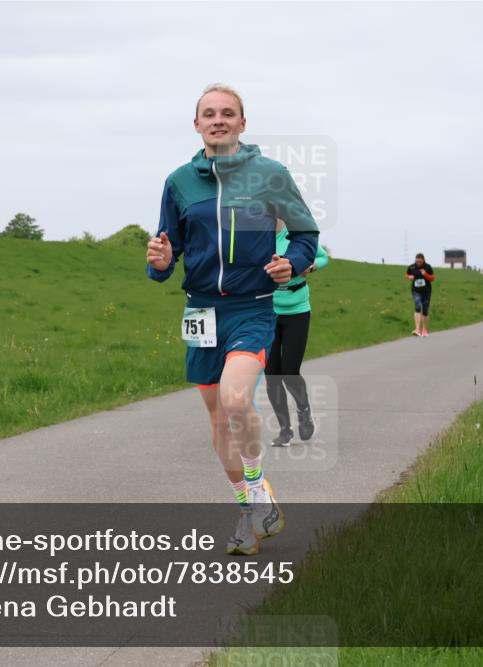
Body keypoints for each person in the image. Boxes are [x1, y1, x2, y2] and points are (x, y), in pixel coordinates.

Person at [146, 83, 319, 555]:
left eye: (228, 113)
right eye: (209, 113)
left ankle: (259, 488)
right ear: (197, 123)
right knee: (219, 422)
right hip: (201, 311)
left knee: (236, 396)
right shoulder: (179, 182)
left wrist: (294, 262)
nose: (218, 119)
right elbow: (167, 249)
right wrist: (160, 263)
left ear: (243, 123)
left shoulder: (271, 174)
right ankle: (249, 511)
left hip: (251, 306)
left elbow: (305, 232)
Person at [266, 220, 329, 448]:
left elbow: (323, 257)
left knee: (289, 371)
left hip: (297, 310)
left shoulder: (296, 235)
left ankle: (304, 411)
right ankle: (284, 430)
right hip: (268, 312)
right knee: (271, 373)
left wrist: (310, 267)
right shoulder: (258, 236)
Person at [405, 253, 436, 337]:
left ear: (423, 260)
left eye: (420, 260)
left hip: (426, 291)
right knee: (418, 306)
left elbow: (433, 278)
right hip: (416, 290)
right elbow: (406, 275)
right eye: (417, 260)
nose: (418, 262)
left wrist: (425, 274)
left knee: (425, 309)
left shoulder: (427, 267)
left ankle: (424, 329)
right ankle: (417, 329)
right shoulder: (412, 267)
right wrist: (409, 277)